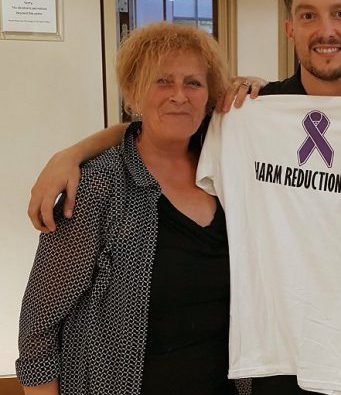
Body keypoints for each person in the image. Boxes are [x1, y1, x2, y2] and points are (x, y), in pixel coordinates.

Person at [25, 0, 341, 395]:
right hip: (272, 362)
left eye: (340, 13)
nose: (325, 29)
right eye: (308, 15)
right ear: (290, 28)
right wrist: (71, 154)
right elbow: (161, 130)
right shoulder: (248, 112)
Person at [16, 23, 240, 395]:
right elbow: (39, 323)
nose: (179, 96)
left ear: (210, 96)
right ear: (133, 92)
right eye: (162, 81)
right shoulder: (98, 185)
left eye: (194, 83)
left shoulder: (227, 176)